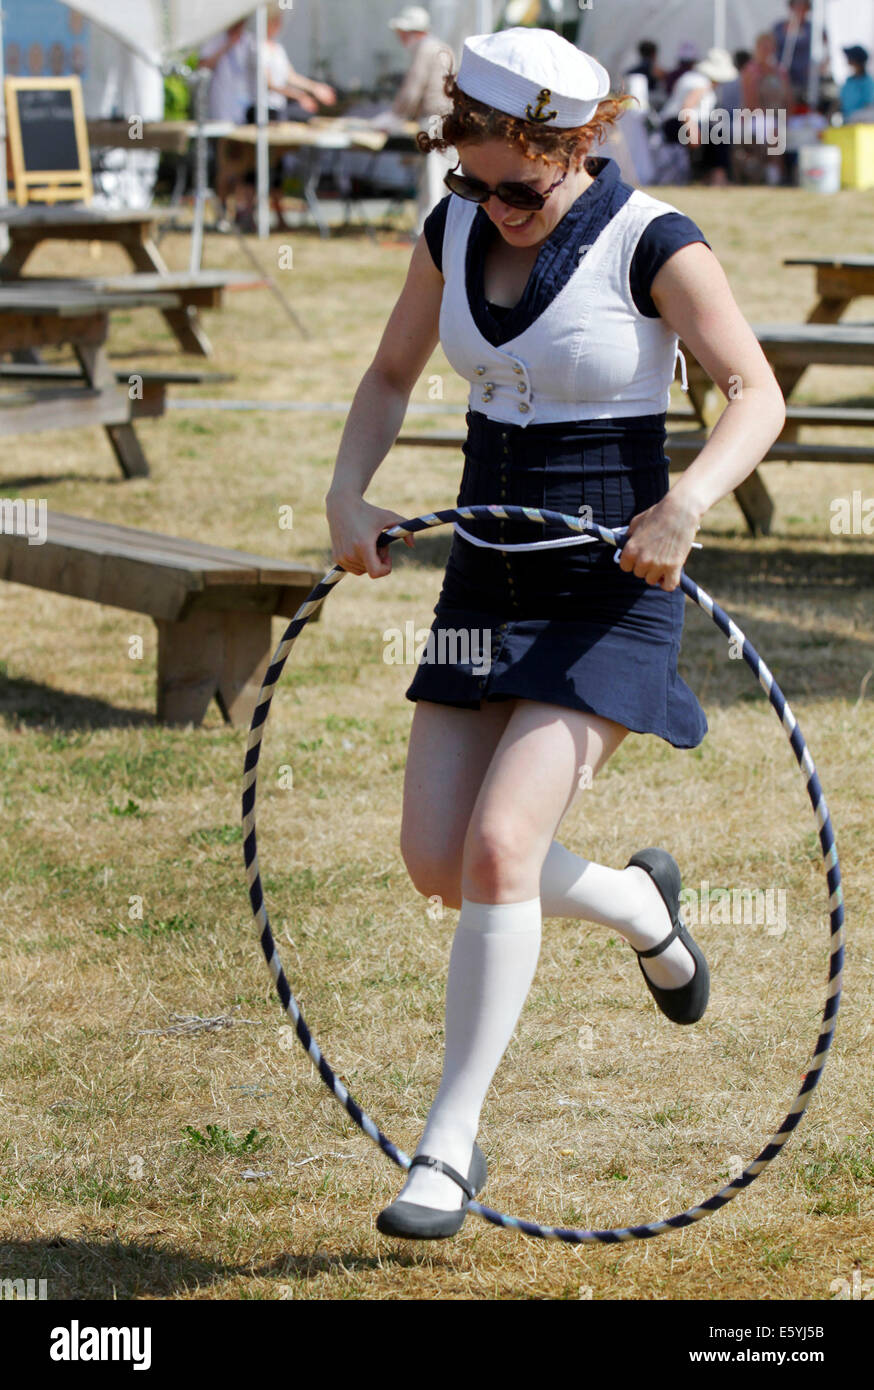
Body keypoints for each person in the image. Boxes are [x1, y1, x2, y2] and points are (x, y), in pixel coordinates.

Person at [325, 27, 785, 1241]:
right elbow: (387, 375)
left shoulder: (654, 243)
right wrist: (347, 493)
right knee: (437, 861)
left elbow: (756, 389)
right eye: (469, 180)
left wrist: (685, 503)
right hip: (484, 572)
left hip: (611, 583)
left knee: (497, 850)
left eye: (517, 187)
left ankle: (446, 1146)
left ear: (582, 145)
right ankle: (641, 907)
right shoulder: (454, 226)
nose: (492, 207)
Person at [386, 5, 456, 234]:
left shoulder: (426, 49)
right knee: (445, 178)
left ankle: (428, 232)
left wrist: (393, 117)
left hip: (436, 121)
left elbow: (412, 91)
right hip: (448, 121)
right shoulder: (440, 48)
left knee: (433, 178)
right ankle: (439, 230)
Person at [773, 0, 812, 104]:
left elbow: (824, 47)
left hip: (805, 79)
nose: (799, 10)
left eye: (803, 7)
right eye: (796, 6)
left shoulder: (811, 28)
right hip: (784, 78)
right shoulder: (779, 27)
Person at [840, 46, 874, 122]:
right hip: (847, 119)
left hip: (862, 121)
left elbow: (869, 105)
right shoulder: (849, 81)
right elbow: (840, 101)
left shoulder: (868, 81)